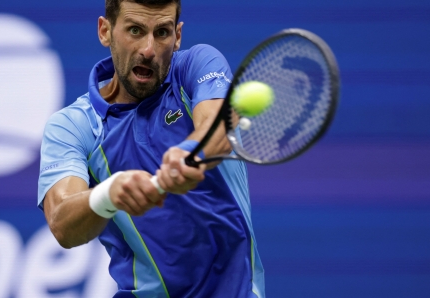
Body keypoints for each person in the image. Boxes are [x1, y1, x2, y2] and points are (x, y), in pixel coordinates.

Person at [37, 0, 264, 297]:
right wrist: (109, 193)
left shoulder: (198, 66)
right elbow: (62, 225)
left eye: (162, 33)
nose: (148, 49)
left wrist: (190, 154)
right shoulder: (73, 126)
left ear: (178, 36)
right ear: (105, 31)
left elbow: (218, 125)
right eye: (135, 30)